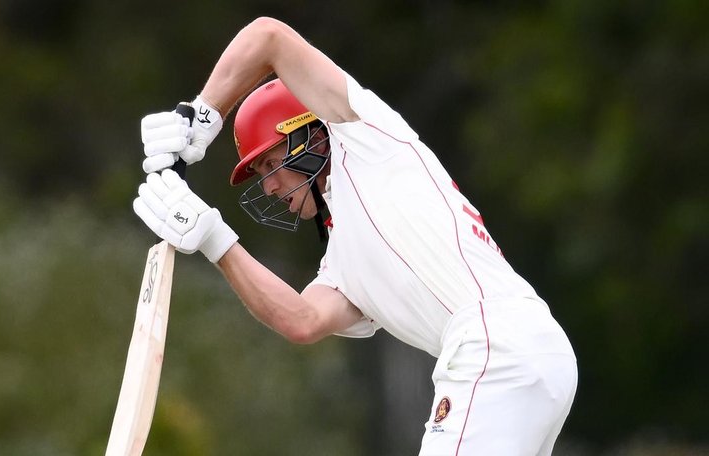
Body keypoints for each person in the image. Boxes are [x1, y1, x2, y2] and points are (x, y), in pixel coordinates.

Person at [132, 17, 577, 455]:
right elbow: (302, 320)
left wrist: (201, 114)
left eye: (270, 164)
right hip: (541, 353)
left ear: (310, 134)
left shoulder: (366, 139)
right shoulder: (343, 260)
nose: (267, 185)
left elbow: (268, 36)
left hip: (490, 344)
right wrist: (213, 238)